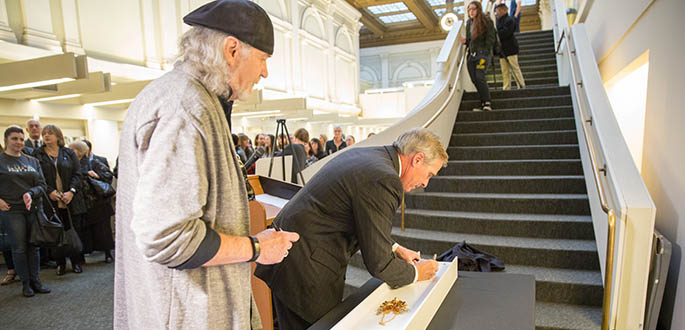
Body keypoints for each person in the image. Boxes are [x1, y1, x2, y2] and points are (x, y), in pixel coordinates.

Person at [114, 1, 299, 329]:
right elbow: (167, 237)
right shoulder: (184, 109)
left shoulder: (192, 99)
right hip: (188, 313)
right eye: (263, 59)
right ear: (232, 50)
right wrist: (257, 247)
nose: (265, 72)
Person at [256, 128, 446, 329]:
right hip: (306, 268)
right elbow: (380, 264)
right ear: (417, 159)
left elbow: (359, 217)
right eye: (429, 174)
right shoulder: (384, 178)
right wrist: (417, 273)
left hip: (294, 254)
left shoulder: (371, 156)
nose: (425, 182)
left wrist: (394, 247)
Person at [0, 126, 51, 297]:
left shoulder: (32, 161)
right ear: (6, 140)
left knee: (33, 246)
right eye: (14, 139)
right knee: (20, 248)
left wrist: (31, 193)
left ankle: (36, 281)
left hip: (33, 208)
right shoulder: (1, 161)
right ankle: (26, 283)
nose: (19, 142)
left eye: (21, 139)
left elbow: (42, 185)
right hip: (12, 210)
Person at [33, 125, 87, 276]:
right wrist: (49, 191)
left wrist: (72, 191)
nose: (46, 136)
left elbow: (78, 174)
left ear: (58, 136)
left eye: (50, 133)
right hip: (51, 201)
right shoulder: (38, 154)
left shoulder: (68, 153)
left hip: (70, 199)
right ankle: (60, 263)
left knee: (73, 229)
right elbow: (37, 177)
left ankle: (76, 261)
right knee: (55, 231)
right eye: (44, 134)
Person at [69, 141, 115, 264]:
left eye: (73, 149)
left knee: (103, 230)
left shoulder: (94, 162)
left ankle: (108, 253)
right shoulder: (72, 164)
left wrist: (97, 176)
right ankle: (83, 255)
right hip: (82, 202)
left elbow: (108, 175)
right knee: (85, 231)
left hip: (97, 202)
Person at [460, 1, 496, 111]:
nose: (471, 11)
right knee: (474, 79)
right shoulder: (468, 23)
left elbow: (491, 38)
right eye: (469, 9)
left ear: (478, 9)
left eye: (473, 9)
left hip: (482, 56)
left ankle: (487, 102)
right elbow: (470, 40)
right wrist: (465, 41)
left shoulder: (486, 21)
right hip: (471, 56)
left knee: (480, 76)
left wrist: (485, 52)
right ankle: (482, 102)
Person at [495, 3, 526, 90]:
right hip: (502, 49)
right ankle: (506, 87)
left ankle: (521, 85)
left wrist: (497, 33)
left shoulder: (509, 20)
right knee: (504, 70)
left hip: (511, 48)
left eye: (499, 10)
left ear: (504, 10)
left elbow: (505, 33)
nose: (497, 12)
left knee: (514, 67)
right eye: (497, 11)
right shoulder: (499, 21)